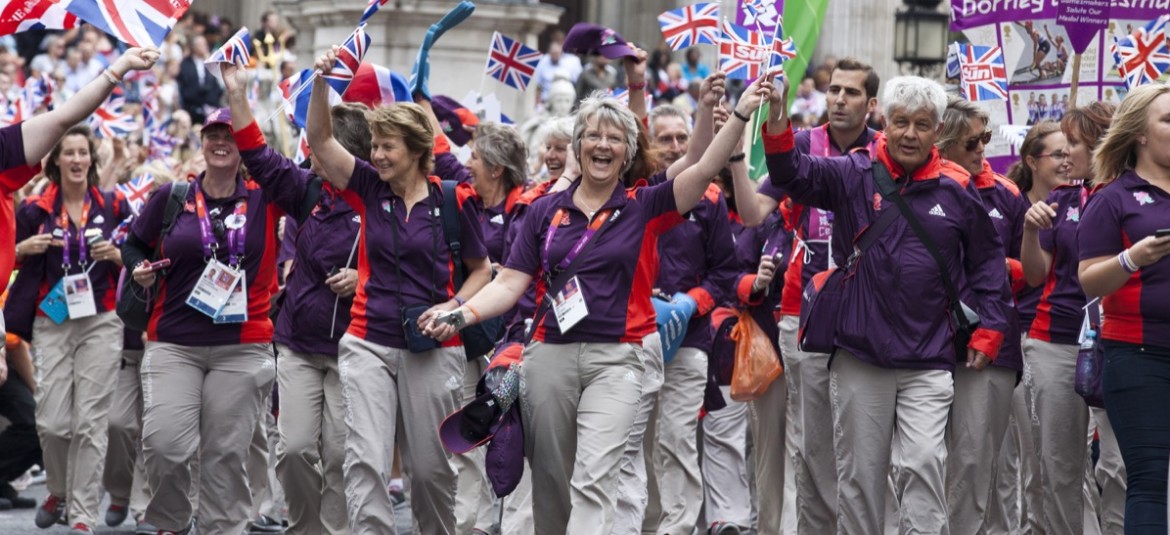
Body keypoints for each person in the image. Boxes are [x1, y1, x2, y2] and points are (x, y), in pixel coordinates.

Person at [422, 73, 772, 534]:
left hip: (619, 358)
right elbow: (509, 282)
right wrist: (460, 314)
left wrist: (741, 113)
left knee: (595, 477)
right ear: (577, 147)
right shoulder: (546, 210)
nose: (602, 145)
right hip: (547, 356)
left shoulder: (645, 204)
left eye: (613, 138)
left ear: (627, 152)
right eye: (592, 135)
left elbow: (703, 166)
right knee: (550, 480)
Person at [760, 75, 1012, 533]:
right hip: (860, 355)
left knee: (923, 466)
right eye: (900, 123)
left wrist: (990, 328)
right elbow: (790, 174)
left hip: (929, 357)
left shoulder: (958, 188)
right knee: (859, 479)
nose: (910, 134)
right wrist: (777, 118)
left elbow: (988, 263)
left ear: (937, 131)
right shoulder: (851, 173)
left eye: (921, 124)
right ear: (885, 123)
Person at [305, 46, 492, 534]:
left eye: (387, 146)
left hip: (435, 347)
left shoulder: (453, 199)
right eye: (374, 145)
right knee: (364, 459)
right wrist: (323, 81)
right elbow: (320, 139)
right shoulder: (369, 187)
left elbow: (482, 272)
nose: (377, 155)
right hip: (367, 339)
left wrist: (453, 309)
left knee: (430, 471)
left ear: (415, 150)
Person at [120, 103, 308, 533]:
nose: (221, 142)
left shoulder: (266, 197)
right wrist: (138, 270)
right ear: (201, 143)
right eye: (213, 135)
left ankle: (223, 528)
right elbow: (133, 244)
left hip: (242, 346)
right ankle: (171, 519)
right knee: (164, 445)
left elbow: (305, 188)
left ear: (245, 146)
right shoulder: (173, 198)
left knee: (226, 454)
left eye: (230, 135)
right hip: (173, 341)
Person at [730, 57, 879, 533]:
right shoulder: (799, 145)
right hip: (805, 312)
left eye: (851, 92)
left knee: (865, 443)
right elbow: (754, 213)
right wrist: (735, 158)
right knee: (812, 444)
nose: (838, 99)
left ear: (871, 104)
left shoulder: (887, 150)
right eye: (833, 90)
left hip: (874, 314)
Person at [219, 61, 367, 535]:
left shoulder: (383, 198)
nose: (310, 153)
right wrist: (238, 95)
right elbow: (258, 157)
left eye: (320, 146)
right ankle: (305, 528)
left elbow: (415, 268)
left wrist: (363, 279)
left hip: (355, 348)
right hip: (300, 345)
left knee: (343, 454)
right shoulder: (306, 190)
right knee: (297, 449)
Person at [3, 124, 130, 535]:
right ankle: (56, 489)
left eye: (83, 152)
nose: (76, 159)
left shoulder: (113, 204)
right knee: (54, 423)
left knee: (91, 422)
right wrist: (24, 250)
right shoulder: (35, 209)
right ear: (55, 161)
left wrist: (119, 254)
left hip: (102, 319)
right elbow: (6, 256)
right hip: (52, 319)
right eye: (68, 153)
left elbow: (141, 251)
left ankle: (81, 515)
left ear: (92, 160)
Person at [1021, 102, 1123, 535]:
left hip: (1120, 341)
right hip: (1055, 341)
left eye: (1074, 145)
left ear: (1101, 146)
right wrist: (1029, 228)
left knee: (1118, 466)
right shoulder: (1060, 199)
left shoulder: (1137, 197)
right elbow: (1034, 275)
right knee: (1060, 466)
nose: (1066, 157)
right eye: (1061, 148)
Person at [1079, 82, 1170, 534]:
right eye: (1168, 120)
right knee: (1150, 481)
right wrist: (1133, 258)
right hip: (1139, 356)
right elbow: (1089, 279)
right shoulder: (1113, 197)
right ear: (1139, 133)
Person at [936, 96, 1028, 534]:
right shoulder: (918, 187)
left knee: (974, 460)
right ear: (946, 140)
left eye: (986, 138)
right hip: (924, 341)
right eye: (972, 141)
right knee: (920, 459)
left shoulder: (1007, 194)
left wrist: (999, 267)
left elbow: (1036, 270)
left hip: (990, 350)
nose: (982, 149)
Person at [452, 120, 529, 534]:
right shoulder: (463, 203)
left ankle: (511, 524)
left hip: (515, 345)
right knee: (470, 430)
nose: (468, 164)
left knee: (513, 435)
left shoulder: (529, 207)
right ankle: (472, 525)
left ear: (496, 168)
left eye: (476, 157)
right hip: (471, 341)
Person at [990, 121, 1067, 535]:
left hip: (1067, 343)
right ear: (1032, 161)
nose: (1067, 160)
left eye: (1069, 152)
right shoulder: (1010, 206)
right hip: (1020, 337)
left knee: (1057, 459)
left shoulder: (1080, 203)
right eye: (1057, 154)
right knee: (1019, 457)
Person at [176, 35, 224, 124]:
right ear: (194, 47)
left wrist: (210, 61)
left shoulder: (211, 63)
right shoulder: (185, 63)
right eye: (201, 45)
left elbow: (217, 84)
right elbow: (185, 84)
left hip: (210, 105)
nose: (205, 47)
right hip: (192, 106)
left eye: (205, 44)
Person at [534, 31, 584, 106]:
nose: (558, 44)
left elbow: (580, 83)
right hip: (546, 102)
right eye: (556, 41)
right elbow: (536, 84)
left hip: (568, 100)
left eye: (560, 41)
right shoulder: (543, 60)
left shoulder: (573, 61)